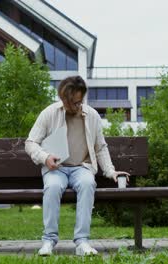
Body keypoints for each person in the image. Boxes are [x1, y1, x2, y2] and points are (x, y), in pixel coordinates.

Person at [25, 75, 130, 256]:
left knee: (88, 184)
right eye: (71, 102)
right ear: (63, 98)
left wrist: (111, 171)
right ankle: (49, 241)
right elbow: (30, 143)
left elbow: (100, 147)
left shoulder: (92, 116)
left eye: (78, 102)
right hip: (56, 168)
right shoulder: (49, 113)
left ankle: (82, 242)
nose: (75, 106)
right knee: (52, 186)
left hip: (82, 167)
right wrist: (45, 157)